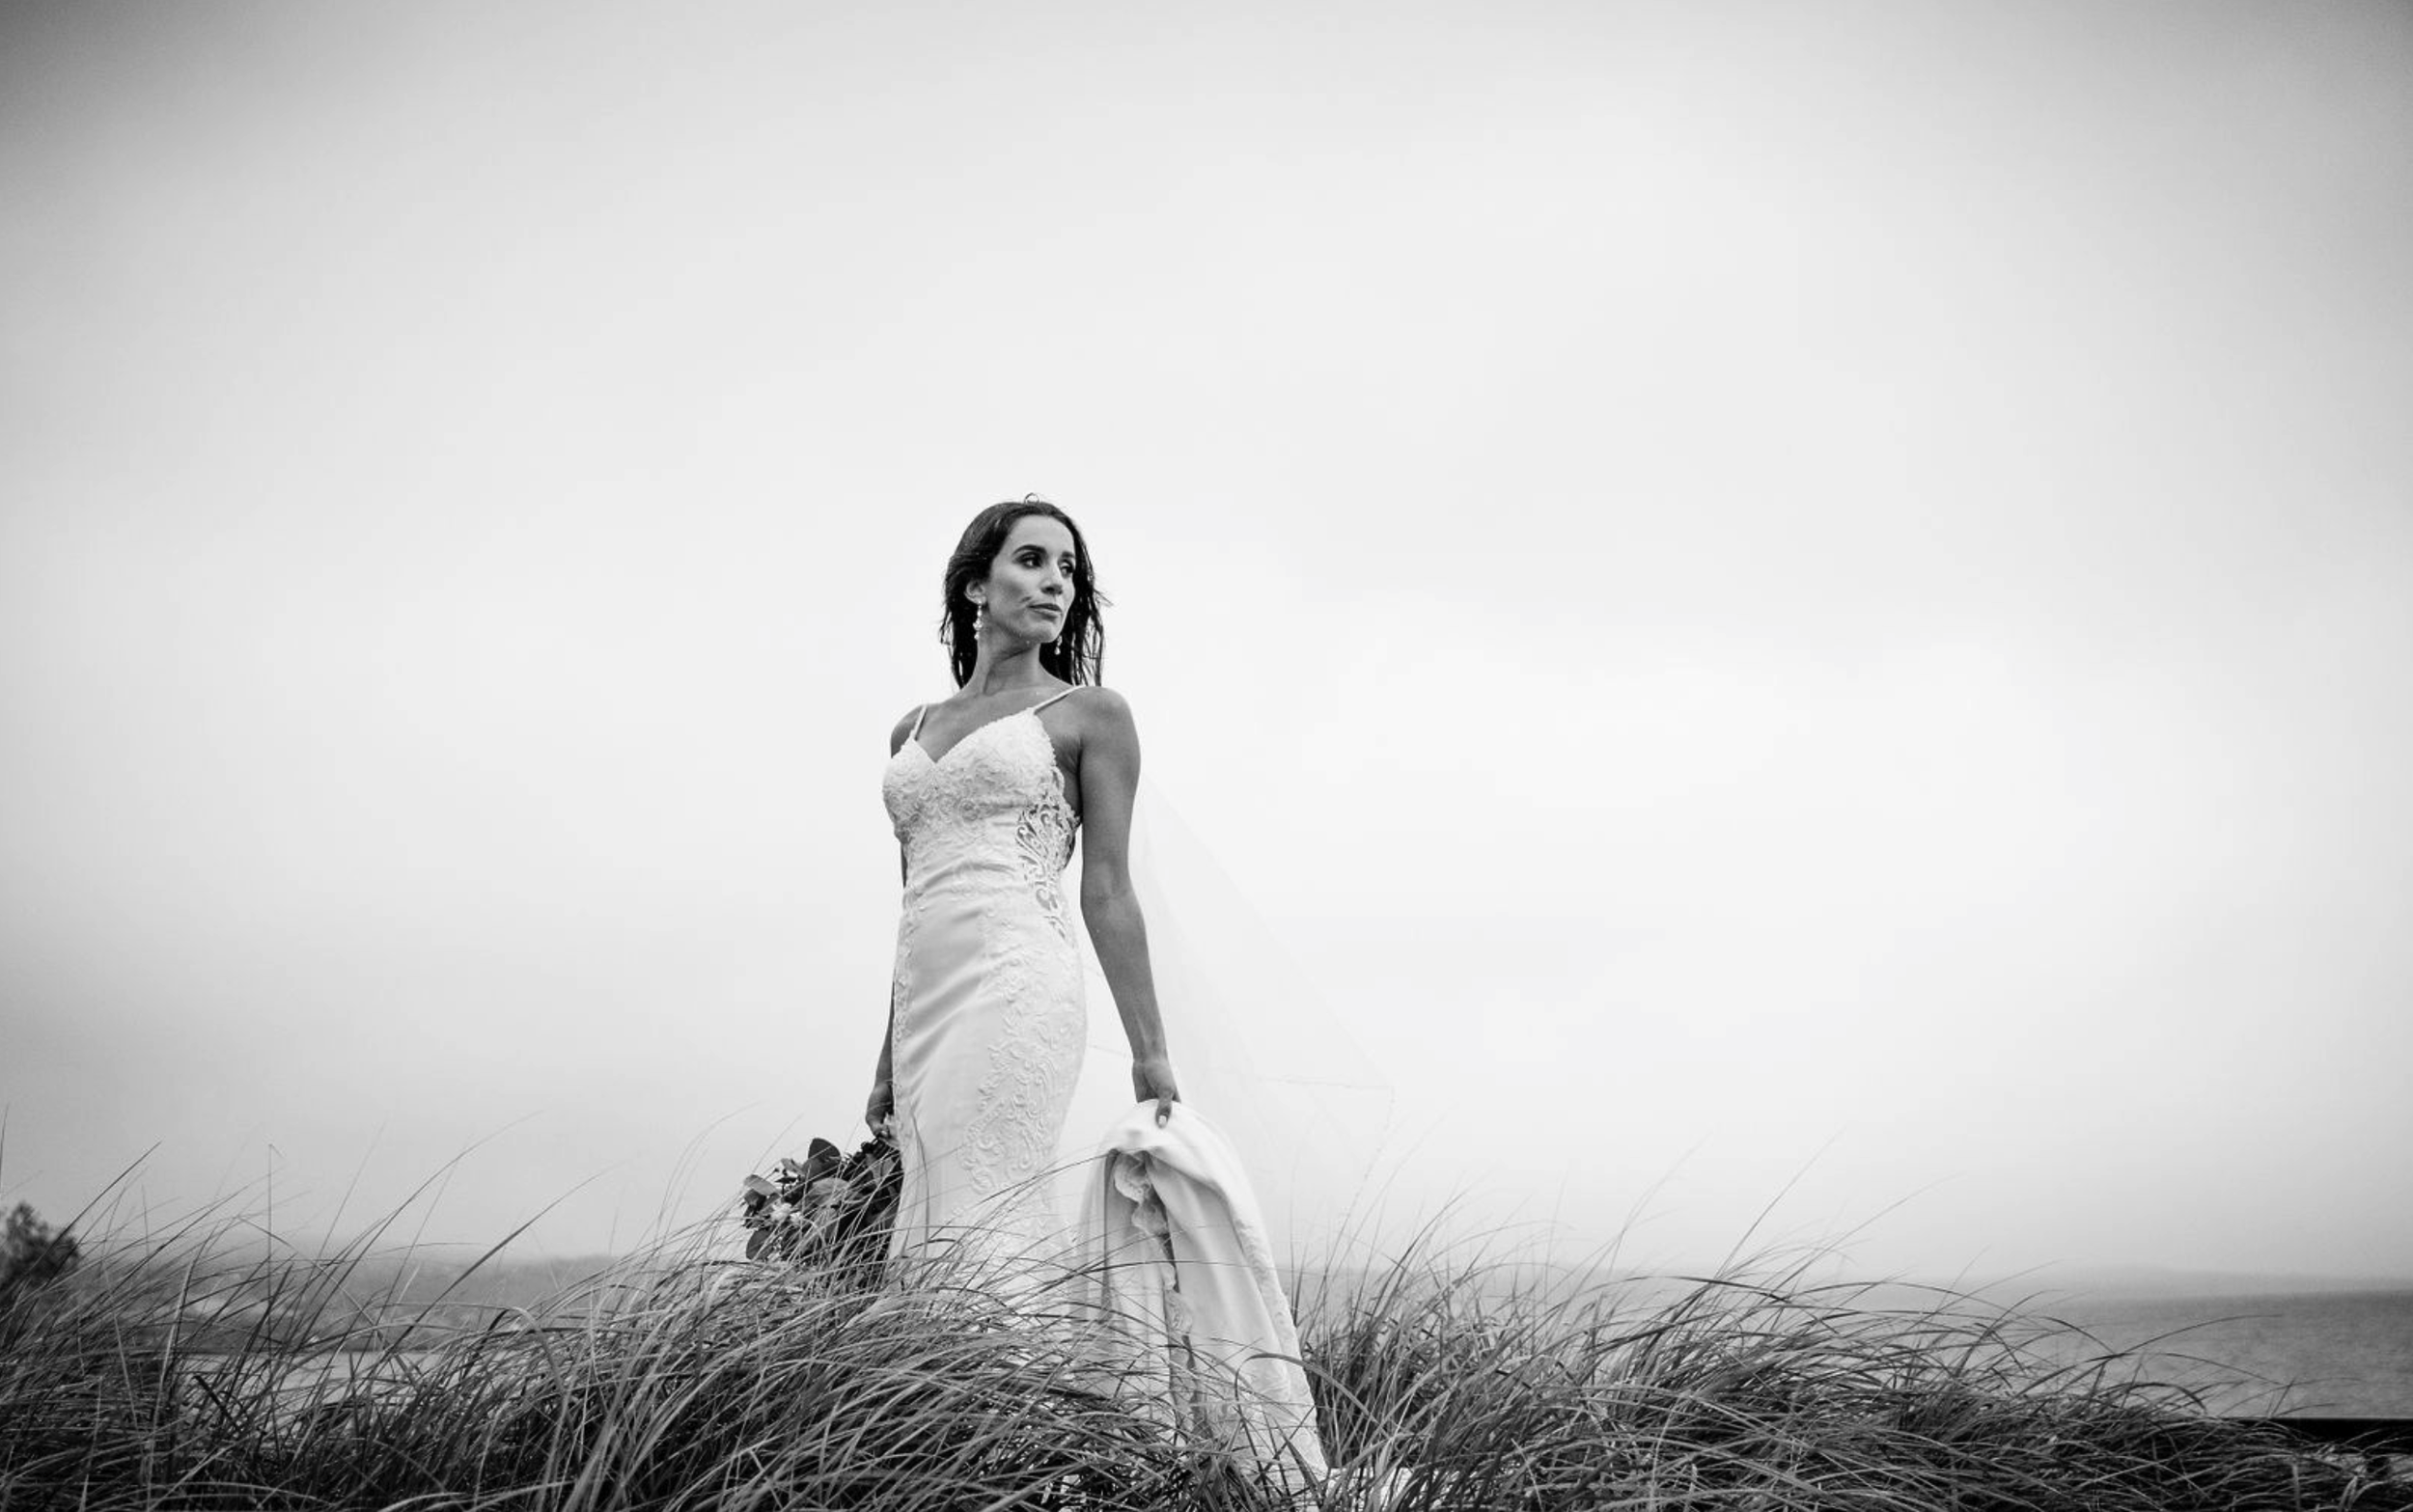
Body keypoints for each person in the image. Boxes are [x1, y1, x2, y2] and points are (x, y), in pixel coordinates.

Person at [868, 497, 1178, 1276]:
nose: (1056, 584)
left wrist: (1152, 1053)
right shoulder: (910, 730)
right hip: (925, 1006)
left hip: (1018, 983)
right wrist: (884, 1057)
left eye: (1068, 570)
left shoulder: (1091, 714)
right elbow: (916, 904)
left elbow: (1107, 888)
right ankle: (959, 1393)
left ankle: (1011, 1384)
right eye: (1032, 560)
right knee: (930, 1209)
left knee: (981, 1204)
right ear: (977, 585)